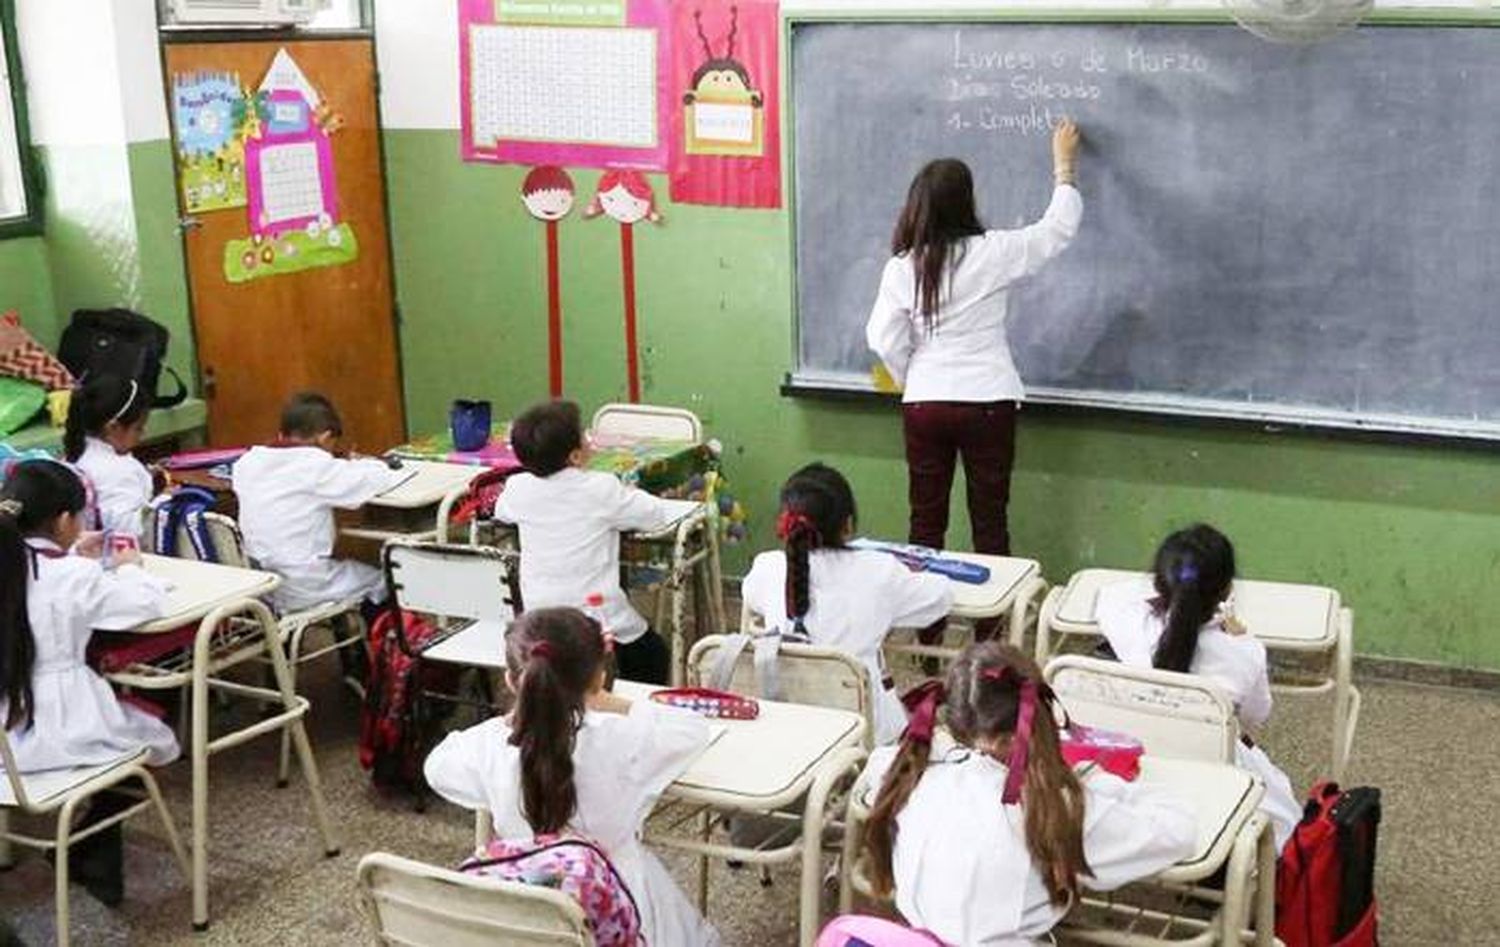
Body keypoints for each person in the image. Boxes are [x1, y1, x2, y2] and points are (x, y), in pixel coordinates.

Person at [860, 641, 1195, 945]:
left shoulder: (910, 774)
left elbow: (879, 763)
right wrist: (1096, 780)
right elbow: (1178, 830)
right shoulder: (1055, 806)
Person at [425, 607, 719, 946]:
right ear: (598, 677)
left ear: (510, 680)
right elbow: (693, 730)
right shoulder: (621, 738)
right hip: (616, 903)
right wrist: (608, 701)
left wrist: (516, 716)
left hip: (525, 912)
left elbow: (437, 766)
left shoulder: (491, 745)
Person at [866, 119, 1083, 564]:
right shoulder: (994, 252)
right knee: (990, 524)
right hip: (988, 400)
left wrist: (915, 376)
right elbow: (1056, 230)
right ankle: (992, 628)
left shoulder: (902, 266)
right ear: (967, 202)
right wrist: (1064, 168)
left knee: (924, 524)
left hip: (925, 405)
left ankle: (927, 632)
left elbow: (882, 339)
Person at [0, 460, 179, 904]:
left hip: (8, 737)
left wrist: (69, 553)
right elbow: (142, 604)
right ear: (65, 520)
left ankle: (93, 855)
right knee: (160, 739)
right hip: (63, 724)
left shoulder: (16, 565)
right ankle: (88, 845)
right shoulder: (71, 575)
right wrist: (129, 565)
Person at [1095, 523, 1302, 849]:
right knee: (1283, 807)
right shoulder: (1243, 652)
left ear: (1159, 582)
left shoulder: (1123, 619)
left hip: (1128, 771)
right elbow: (1255, 718)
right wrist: (1238, 635)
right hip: (1210, 780)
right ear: (1227, 590)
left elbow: (1117, 593)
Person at [741, 462, 953, 744]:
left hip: (788, 726)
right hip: (866, 733)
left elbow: (751, 596)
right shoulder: (879, 571)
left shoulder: (768, 567)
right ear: (848, 524)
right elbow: (940, 598)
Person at [495, 400, 684, 684]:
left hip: (538, 618)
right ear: (575, 456)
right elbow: (654, 515)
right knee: (652, 653)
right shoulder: (600, 488)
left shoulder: (518, 488)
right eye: (585, 436)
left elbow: (501, 511)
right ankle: (633, 712)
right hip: (596, 615)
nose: (589, 440)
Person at [232, 392, 405, 613]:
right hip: (303, 586)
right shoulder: (314, 466)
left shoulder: (247, 463)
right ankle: (380, 644)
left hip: (261, 586)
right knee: (384, 582)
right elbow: (376, 480)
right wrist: (370, 464)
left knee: (352, 573)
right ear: (324, 438)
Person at [64, 373, 155, 539]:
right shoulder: (118, 470)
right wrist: (164, 501)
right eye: (138, 428)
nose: (143, 434)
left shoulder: (76, 454)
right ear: (113, 427)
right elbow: (126, 530)